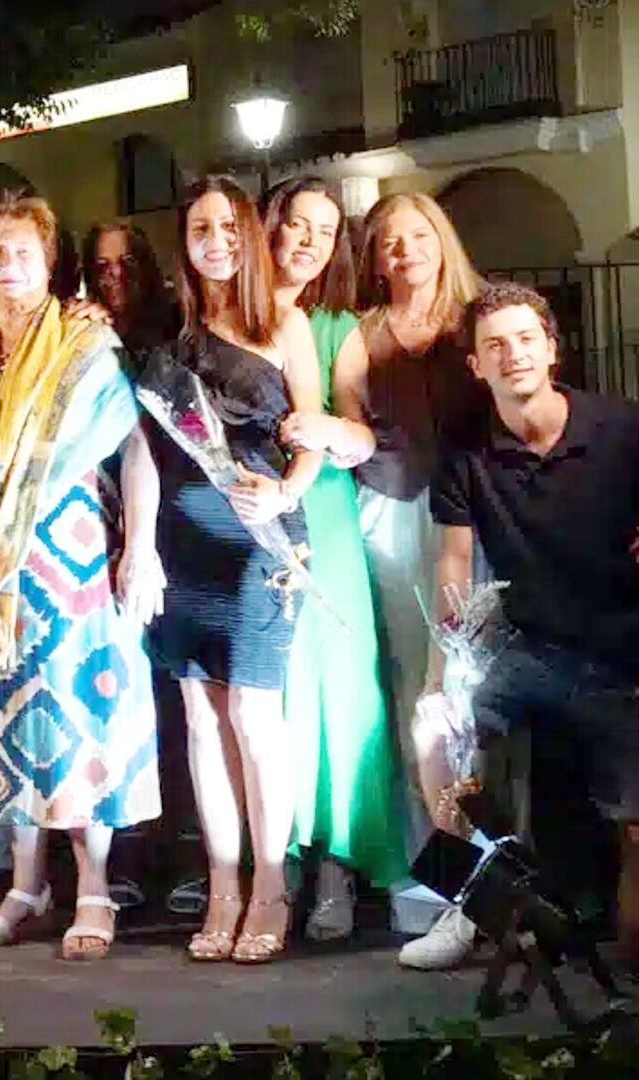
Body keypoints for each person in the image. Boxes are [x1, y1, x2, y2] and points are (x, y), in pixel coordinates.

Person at [429, 281, 639, 973]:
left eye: (525, 339)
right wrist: (444, 675)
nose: (512, 354)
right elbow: (454, 560)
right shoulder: (464, 452)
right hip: (529, 653)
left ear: (552, 348)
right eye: (494, 345)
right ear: (476, 367)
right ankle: (470, 902)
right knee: (433, 732)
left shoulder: (622, 429)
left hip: (625, 659)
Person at [0, 196, 165, 961]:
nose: (7, 268)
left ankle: (92, 884)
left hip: (69, 552)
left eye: (23, 254)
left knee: (74, 712)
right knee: (4, 713)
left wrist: (142, 549)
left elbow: (133, 451)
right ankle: (26, 884)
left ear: (49, 260)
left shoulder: (83, 344)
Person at [146, 176, 323, 965]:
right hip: (184, 544)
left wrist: (287, 488)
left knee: (254, 717)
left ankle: (272, 888)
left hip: (261, 540)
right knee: (200, 719)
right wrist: (140, 546)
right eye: (198, 229)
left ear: (249, 235)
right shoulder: (171, 334)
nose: (215, 240)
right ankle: (222, 885)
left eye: (227, 226)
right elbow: (143, 449)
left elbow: (311, 434)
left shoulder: (284, 321)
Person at [344, 193, 490, 968]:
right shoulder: (364, 333)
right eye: (389, 243)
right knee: (416, 701)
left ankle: (502, 879)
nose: (404, 251)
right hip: (395, 520)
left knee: (479, 702)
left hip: (482, 522)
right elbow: (346, 420)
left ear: (443, 239)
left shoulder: (481, 317)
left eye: (417, 236)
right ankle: (434, 883)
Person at [265, 178, 407, 941]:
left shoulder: (335, 326)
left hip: (324, 523)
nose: (307, 239)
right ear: (269, 227)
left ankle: (336, 865)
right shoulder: (231, 313)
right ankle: (272, 862)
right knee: (269, 701)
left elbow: (361, 439)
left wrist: (318, 426)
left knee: (339, 698)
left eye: (324, 229)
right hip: (248, 527)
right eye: (295, 223)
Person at [83, 222, 181, 355]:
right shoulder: (87, 328)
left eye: (127, 262)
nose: (115, 272)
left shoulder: (177, 326)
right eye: (102, 265)